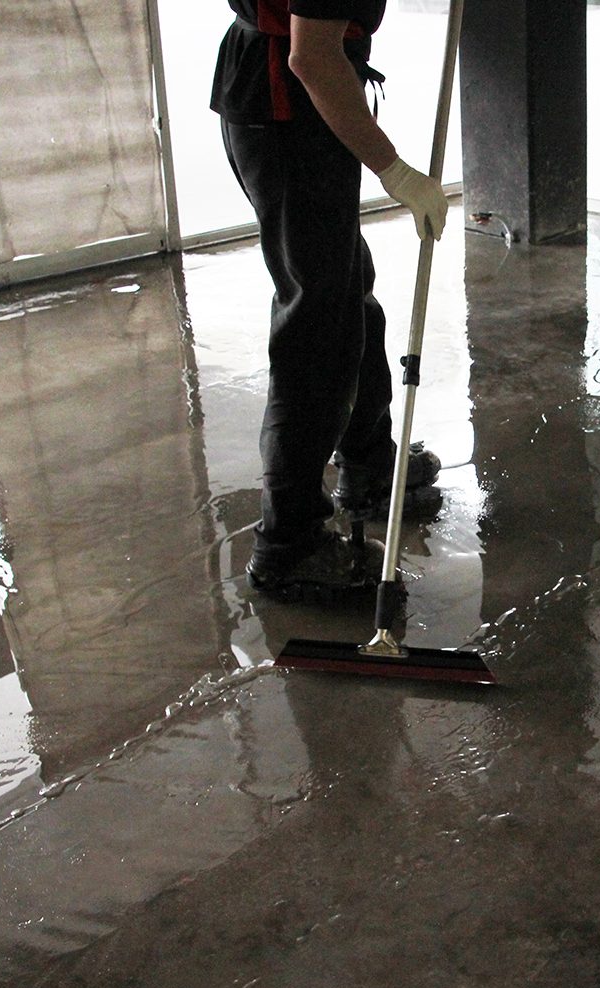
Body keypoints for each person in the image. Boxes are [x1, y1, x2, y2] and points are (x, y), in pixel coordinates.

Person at [212, 0, 449, 601]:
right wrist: (394, 170)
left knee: (346, 288)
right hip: (288, 104)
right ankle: (287, 546)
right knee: (317, 324)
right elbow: (312, 58)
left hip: (295, 98)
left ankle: (367, 462)